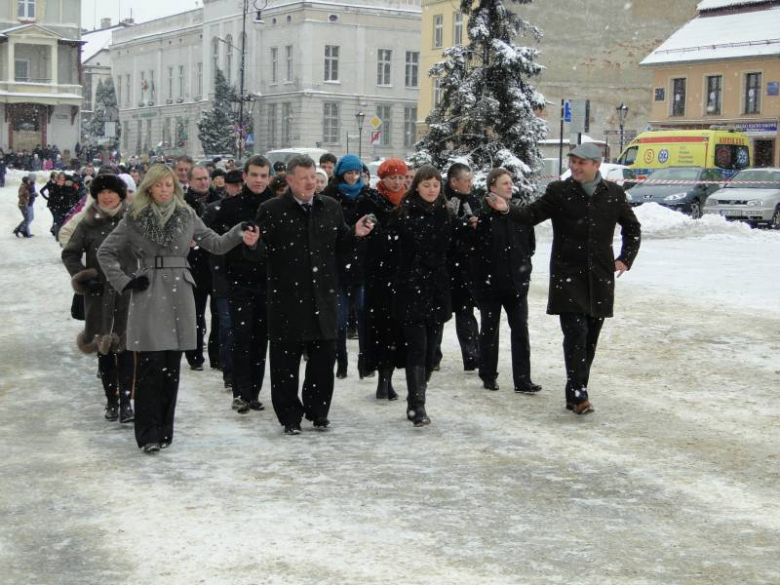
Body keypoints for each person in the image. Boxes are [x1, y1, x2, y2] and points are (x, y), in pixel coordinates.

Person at [98, 164, 257, 453]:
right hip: (148, 289)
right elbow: (105, 252)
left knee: (172, 366)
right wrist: (125, 281)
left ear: (176, 187)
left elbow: (215, 243)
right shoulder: (134, 217)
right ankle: (147, 434)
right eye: (158, 185)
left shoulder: (187, 214)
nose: (164, 190)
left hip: (180, 290)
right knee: (149, 365)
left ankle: (164, 430)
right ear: (149, 187)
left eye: (168, 185)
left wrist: (237, 232)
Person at [485, 143, 641, 415]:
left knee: (590, 339)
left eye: (581, 162)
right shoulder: (560, 191)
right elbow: (532, 214)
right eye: (573, 161)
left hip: (600, 278)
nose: (575, 167)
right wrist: (507, 209)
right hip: (568, 277)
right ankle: (579, 394)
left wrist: (625, 257)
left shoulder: (613, 194)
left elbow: (632, 227)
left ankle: (575, 390)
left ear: (596, 164)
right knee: (575, 335)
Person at [249, 155, 374, 435]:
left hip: (323, 297)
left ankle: (318, 412)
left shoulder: (330, 207)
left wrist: (354, 232)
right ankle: (289, 417)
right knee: (285, 365)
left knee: (322, 362)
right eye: (303, 178)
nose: (309, 183)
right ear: (290, 180)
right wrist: (253, 244)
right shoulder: (271, 209)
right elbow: (260, 252)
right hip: (287, 299)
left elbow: (340, 243)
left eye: (313, 178)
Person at [385, 165, 471, 427]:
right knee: (417, 349)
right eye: (426, 185)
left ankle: (418, 394)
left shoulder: (445, 215)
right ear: (417, 187)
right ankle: (417, 405)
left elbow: (458, 245)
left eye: (435, 185)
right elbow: (391, 251)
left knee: (431, 352)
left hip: (436, 290)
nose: (432, 190)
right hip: (411, 290)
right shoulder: (402, 214)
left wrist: (470, 227)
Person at [62, 175, 135, 423]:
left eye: (111, 192)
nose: (107, 196)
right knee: (104, 347)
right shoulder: (88, 223)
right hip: (100, 293)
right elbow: (70, 254)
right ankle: (112, 402)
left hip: (128, 292)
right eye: (102, 192)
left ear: (120, 194)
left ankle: (126, 402)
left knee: (126, 347)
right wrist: (84, 277)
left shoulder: (133, 220)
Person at [206, 155, 274, 413]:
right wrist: (221, 279)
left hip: (268, 283)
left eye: (263, 175)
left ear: (268, 177)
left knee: (260, 339)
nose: (258, 180)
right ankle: (240, 392)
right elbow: (217, 248)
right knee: (241, 337)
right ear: (244, 176)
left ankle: (254, 392)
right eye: (254, 175)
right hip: (238, 283)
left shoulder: (275, 206)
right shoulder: (229, 207)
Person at [471, 168, 541, 394]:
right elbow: (477, 251)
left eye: (511, 182)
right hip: (490, 285)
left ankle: (523, 379)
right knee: (489, 330)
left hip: (516, 284)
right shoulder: (483, 216)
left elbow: (529, 247)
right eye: (504, 183)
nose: (510, 186)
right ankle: (488, 375)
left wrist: (523, 270)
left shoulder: (519, 214)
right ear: (492, 188)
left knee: (520, 330)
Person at [356, 158, 408, 400]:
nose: (397, 182)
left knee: (397, 330)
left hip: (401, 275)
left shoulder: (408, 202)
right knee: (380, 328)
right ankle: (381, 378)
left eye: (400, 177)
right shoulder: (371, 201)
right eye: (392, 177)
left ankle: (389, 378)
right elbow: (363, 236)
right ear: (383, 179)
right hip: (378, 275)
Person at [321, 154, 373, 379]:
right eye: (349, 172)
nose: (353, 177)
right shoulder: (330, 197)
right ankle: (340, 362)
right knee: (340, 319)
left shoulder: (369, 196)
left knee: (363, 317)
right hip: (338, 265)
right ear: (341, 173)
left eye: (356, 173)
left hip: (362, 264)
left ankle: (365, 362)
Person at [440, 162, 481, 371]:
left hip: (466, 266)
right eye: (467, 181)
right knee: (437, 314)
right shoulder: (441, 199)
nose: (471, 185)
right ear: (454, 181)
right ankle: (432, 356)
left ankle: (472, 355)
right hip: (444, 265)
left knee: (465, 311)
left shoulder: (473, 199)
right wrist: (462, 226)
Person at [183, 164, 223, 371]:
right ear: (189, 181)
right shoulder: (183, 203)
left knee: (218, 314)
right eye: (198, 178)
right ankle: (195, 355)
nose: (203, 181)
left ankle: (217, 356)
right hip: (193, 266)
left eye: (205, 178)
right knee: (195, 314)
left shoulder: (220, 201)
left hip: (216, 264)